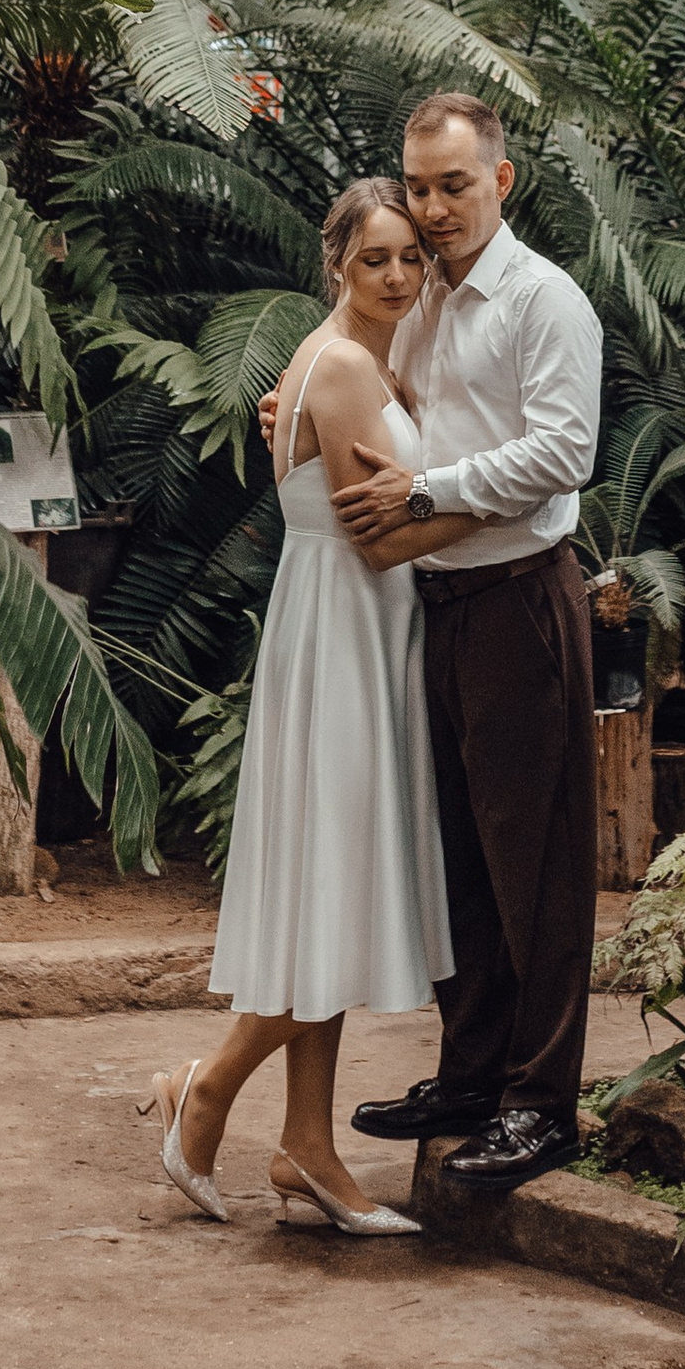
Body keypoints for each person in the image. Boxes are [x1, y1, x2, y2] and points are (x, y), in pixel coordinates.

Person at [144, 177, 481, 1234]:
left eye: (410, 258)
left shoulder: (362, 361)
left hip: (354, 627)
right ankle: (206, 1090)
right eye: (375, 258)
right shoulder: (339, 365)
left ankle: (306, 1148)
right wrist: (502, 503)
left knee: (330, 892)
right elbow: (378, 539)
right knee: (335, 885)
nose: (398, 275)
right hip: (344, 630)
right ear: (334, 263)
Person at [328, 91, 603, 1194]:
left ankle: (542, 1107)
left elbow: (564, 452)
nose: (434, 208)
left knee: (537, 867)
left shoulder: (544, 301)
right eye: (419, 187)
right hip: (433, 605)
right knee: (460, 863)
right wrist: (297, 413)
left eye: (454, 185)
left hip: (520, 604)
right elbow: (392, 400)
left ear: (502, 179)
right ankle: (472, 1075)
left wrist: (426, 488)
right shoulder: (424, 298)